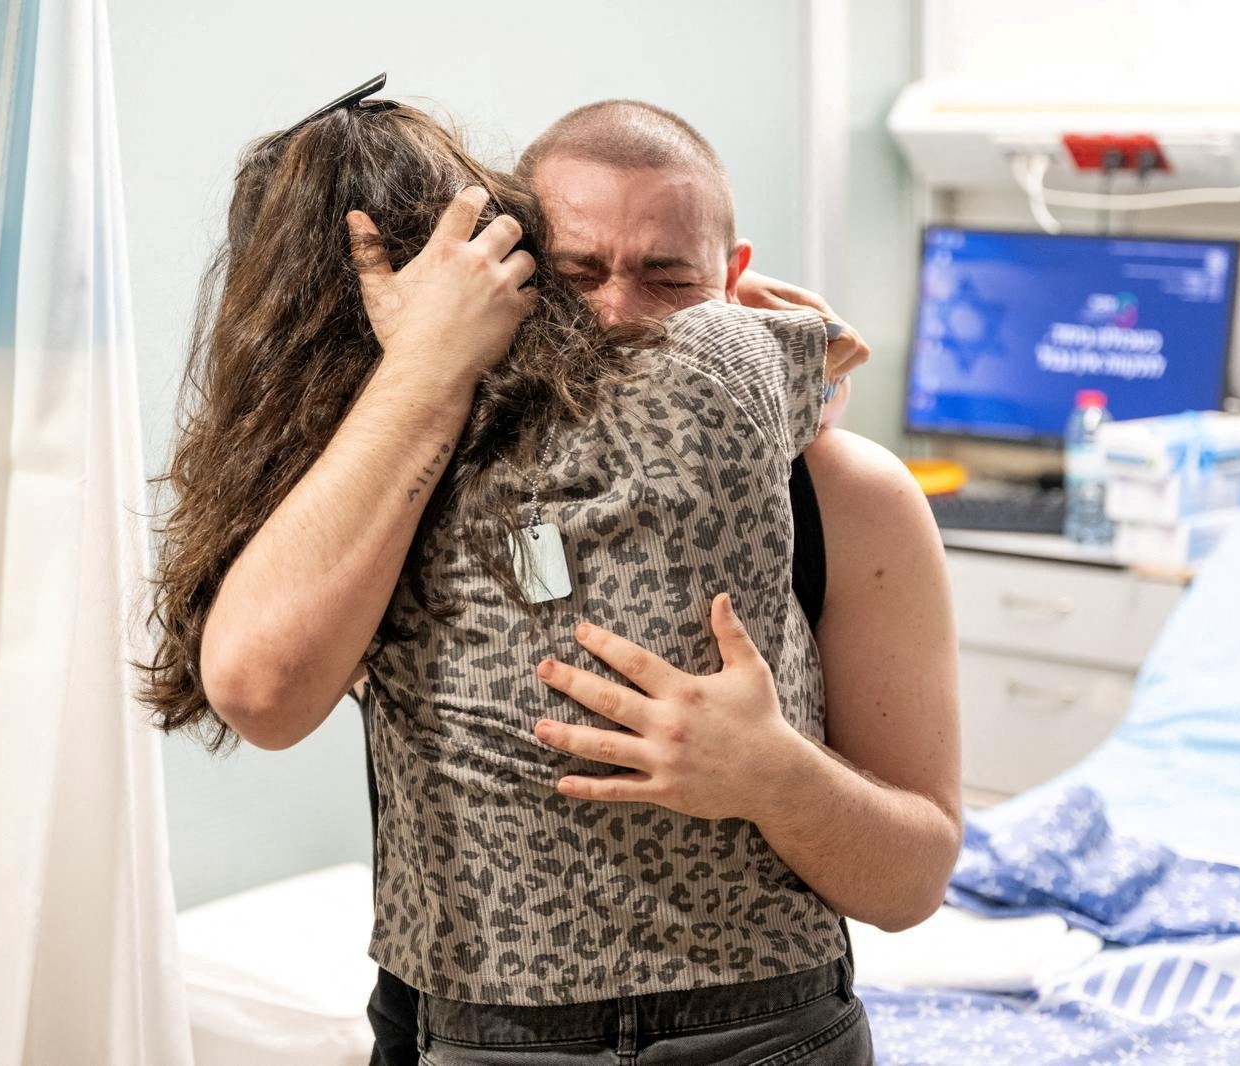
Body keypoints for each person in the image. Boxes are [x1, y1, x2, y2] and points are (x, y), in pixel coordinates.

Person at [352, 99, 961, 1064]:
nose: (615, 314)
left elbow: (912, 882)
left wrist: (774, 775)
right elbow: (259, 689)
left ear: (734, 282)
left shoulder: (848, 494)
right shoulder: (410, 466)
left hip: (766, 1033)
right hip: (462, 1022)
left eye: (668, 279)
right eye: (576, 275)